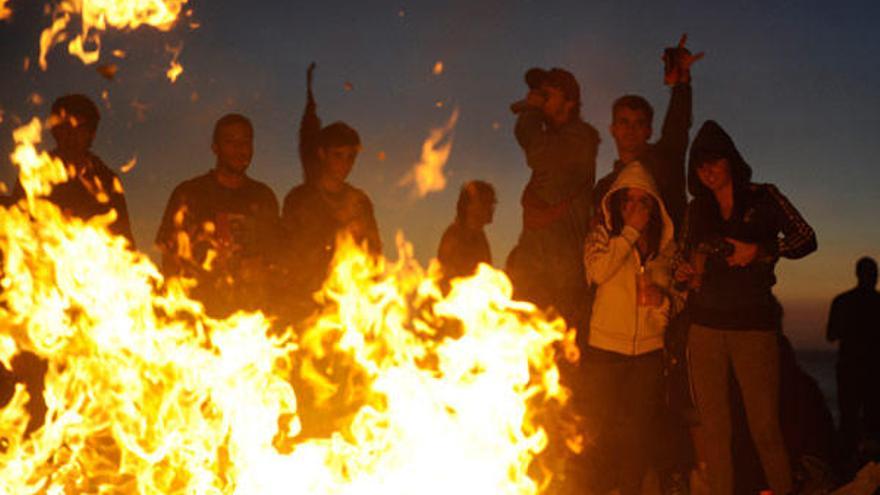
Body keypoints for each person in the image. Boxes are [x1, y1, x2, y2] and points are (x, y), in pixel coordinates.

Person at [676, 120, 818, 495]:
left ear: (731, 160)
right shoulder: (697, 210)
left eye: (714, 161)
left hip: (754, 328)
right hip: (705, 328)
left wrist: (761, 252)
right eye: (700, 165)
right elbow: (683, 261)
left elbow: (806, 238)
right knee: (715, 430)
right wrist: (686, 272)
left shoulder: (764, 197)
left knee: (764, 427)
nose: (708, 171)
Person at [581, 161, 681, 495]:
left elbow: (678, 299)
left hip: (648, 355)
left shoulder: (665, 248)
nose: (635, 207)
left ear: (654, 206)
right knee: (601, 432)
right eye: (629, 201)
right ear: (618, 203)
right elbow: (598, 272)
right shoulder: (601, 236)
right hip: (605, 351)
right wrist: (629, 234)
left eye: (643, 201)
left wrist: (662, 302)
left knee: (638, 436)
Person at [280, 63, 381, 317]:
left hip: (347, 310)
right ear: (321, 154)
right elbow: (287, 254)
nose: (345, 164)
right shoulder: (300, 199)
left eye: (350, 157)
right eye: (338, 155)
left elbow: (374, 255)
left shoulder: (360, 202)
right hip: (305, 306)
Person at [155, 113, 279, 317]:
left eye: (245, 142)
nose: (239, 149)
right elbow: (170, 258)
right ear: (215, 147)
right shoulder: (190, 193)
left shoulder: (263, 196)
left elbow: (275, 254)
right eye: (230, 142)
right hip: (201, 313)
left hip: (250, 319)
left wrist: (262, 270)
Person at [506, 67, 599, 334]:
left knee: (558, 355)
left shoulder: (580, 139)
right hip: (535, 269)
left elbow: (538, 154)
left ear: (569, 102)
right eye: (538, 90)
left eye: (549, 91)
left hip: (561, 279)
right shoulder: (556, 138)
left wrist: (530, 113)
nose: (539, 94)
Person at [594, 34, 703, 233]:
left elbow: (678, 123)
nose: (630, 129)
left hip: (672, 261)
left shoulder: (666, 159)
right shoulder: (605, 188)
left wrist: (682, 82)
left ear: (649, 130)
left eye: (639, 123)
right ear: (613, 129)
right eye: (624, 122)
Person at [12, 93, 135, 245]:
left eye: (79, 127)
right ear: (55, 131)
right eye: (65, 127)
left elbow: (125, 239)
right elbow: (14, 227)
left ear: (91, 133)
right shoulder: (34, 175)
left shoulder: (107, 180)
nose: (71, 134)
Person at [827, 257, 880, 461]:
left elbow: (831, 334)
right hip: (872, 370)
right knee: (873, 420)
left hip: (850, 368)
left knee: (849, 419)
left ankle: (847, 463)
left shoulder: (842, 301)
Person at [436, 180, 496, 281]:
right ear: (468, 206)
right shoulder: (454, 236)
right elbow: (447, 276)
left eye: (491, 203)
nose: (491, 208)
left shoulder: (479, 236)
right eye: (485, 202)